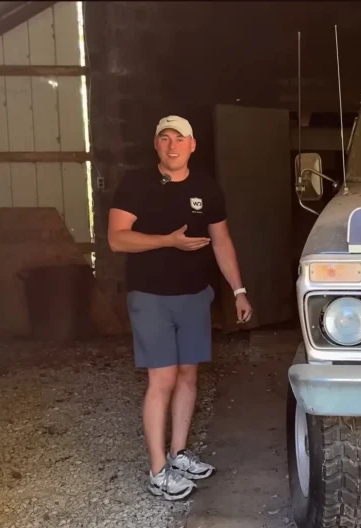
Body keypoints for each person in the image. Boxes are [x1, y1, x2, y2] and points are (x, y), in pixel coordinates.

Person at [108, 115, 253, 500]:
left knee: (189, 375)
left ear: (192, 146)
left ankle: (178, 453)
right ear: (156, 145)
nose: (172, 146)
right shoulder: (136, 184)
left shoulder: (206, 187)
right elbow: (117, 240)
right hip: (151, 297)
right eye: (165, 139)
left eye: (180, 139)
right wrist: (167, 241)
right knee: (163, 379)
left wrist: (238, 290)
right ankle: (158, 470)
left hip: (194, 296)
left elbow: (221, 242)